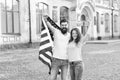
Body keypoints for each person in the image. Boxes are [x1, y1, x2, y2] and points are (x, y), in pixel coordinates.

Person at [44, 15, 70, 80]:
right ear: (60, 26)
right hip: (55, 60)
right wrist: (46, 19)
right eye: (62, 25)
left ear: (67, 26)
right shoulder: (56, 32)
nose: (64, 26)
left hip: (66, 61)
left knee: (64, 79)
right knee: (52, 78)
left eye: (65, 25)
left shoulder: (70, 35)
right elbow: (49, 25)